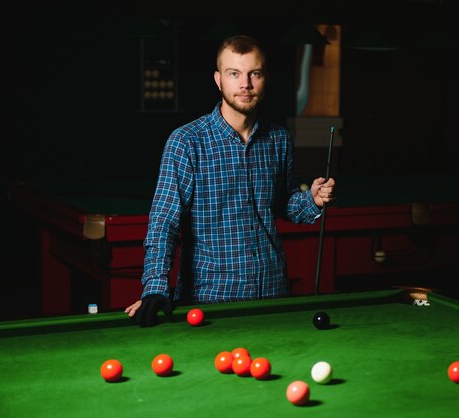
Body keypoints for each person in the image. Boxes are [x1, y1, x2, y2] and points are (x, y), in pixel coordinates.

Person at [125, 34, 336, 326]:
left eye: (255, 74)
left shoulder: (279, 139)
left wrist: (310, 199)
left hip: (273, 294)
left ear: (265, 78)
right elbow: (164, 222)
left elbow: (282, 204)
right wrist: (155, 288)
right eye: (234, 74)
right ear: (218, 80)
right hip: (210, 300)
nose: (245, 84)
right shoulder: (186, 142)